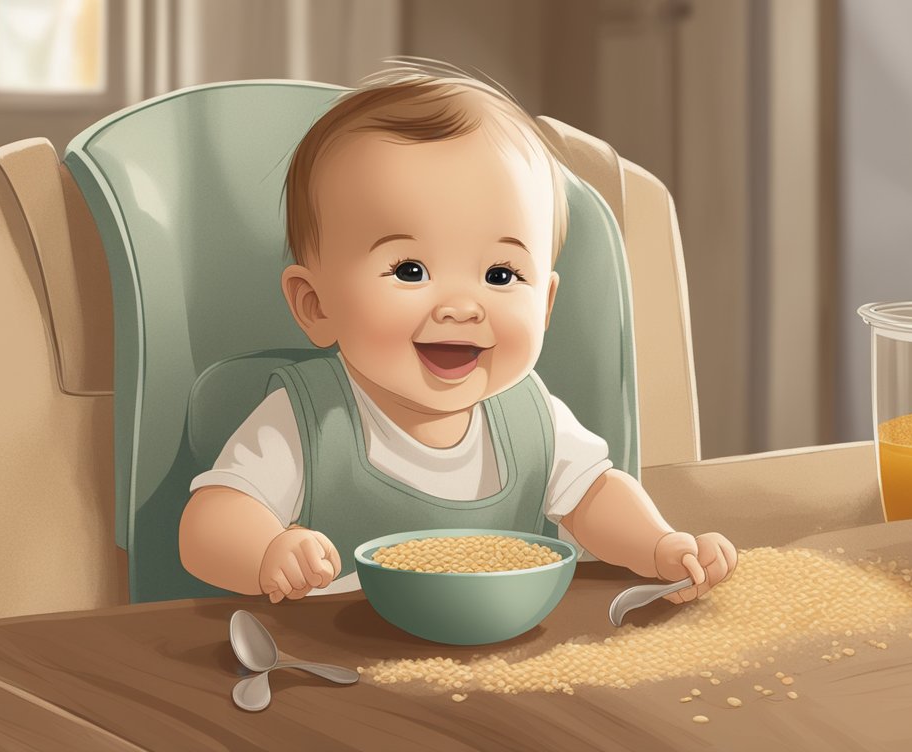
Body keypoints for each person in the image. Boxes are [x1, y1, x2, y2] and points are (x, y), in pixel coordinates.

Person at [178, 58, 737, 604]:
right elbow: (210, 523)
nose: (462, 308)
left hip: (502, 660)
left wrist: (659, 545)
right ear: (316, 304)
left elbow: (594, 495)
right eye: (410, 271)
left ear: (545, 305)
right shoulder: (310, 419)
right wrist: (268, 552)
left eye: (500, 274)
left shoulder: (531, 415)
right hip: (341, 667)